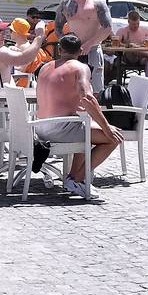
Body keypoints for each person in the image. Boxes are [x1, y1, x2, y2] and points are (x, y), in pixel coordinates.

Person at [32, 34, 124, 198]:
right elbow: (87, 98)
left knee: (86, 129)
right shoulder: (80, 67)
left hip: (39, 127)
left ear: (59, 50)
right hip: (60, 128)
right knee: (114, 138)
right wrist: (106, 127)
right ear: (81, 51)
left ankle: (74, 178)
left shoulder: (45, 67)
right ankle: (77, 179)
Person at [55, 0, 113, 72]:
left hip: (92, 50)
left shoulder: (98, 3)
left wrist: (89, 44)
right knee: (70, 84)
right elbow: (58, 26)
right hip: (71, 52)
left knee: (95, 86)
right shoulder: (66, 3)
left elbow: (107, 28)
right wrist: (65, 43)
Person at [0, 15, 45, 87]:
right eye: (0, 31)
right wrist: (39, 36)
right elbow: (25, 58)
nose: (4, 34)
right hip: (4, 98)